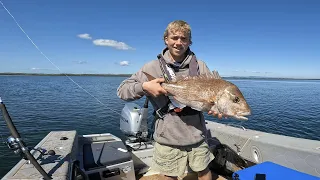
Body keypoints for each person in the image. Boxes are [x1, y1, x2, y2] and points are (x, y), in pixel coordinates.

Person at [117, 20, 224, 180]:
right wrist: (145, 87)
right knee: (169, 176)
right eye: (174, 38)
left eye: (184, 39)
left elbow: (209, 97)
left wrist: (216, 107)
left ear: (189, 42)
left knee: (203, 171)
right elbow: (122, 91)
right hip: (168, 137)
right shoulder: (151, 67)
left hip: (197, 135)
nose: (179, 42)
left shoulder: (200, 66)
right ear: (166, 39)